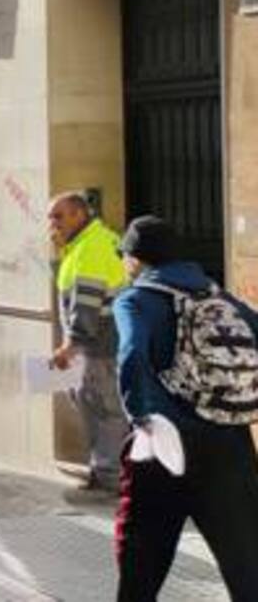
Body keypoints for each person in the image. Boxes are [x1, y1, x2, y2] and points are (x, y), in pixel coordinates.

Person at [112, 216, 258, 601]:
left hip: (165, 445)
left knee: (141, 565)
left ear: (136, 260)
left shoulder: (136, 298)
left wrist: (143, 417)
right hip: (231, 444)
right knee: (245, 563)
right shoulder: (222, 299)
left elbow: (131, 354)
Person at [47, 192, 130, 498]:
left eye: (58, 216)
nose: (51, 224)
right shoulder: (87, 243)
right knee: (92, 404)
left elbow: (86, 304)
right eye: (50, 217)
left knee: (106, 411)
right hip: (99, 345)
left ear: (79, 215)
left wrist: (70, 346)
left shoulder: (91, 247)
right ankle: (107, 471)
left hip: (100, 346)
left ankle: (110, 479)